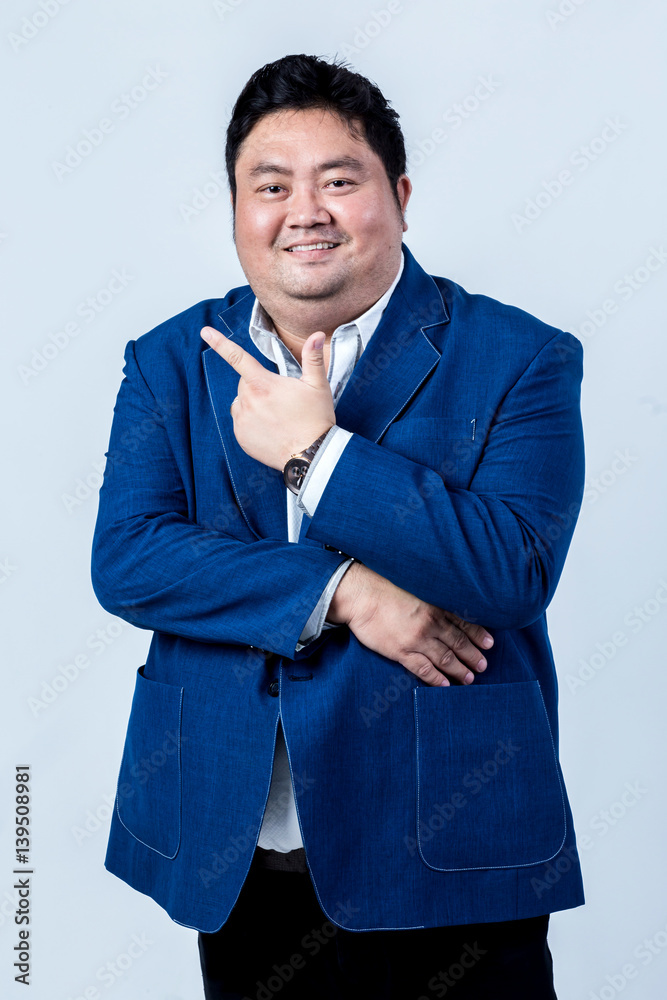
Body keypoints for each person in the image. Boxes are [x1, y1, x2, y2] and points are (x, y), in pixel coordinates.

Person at [91, 53, 586, 1000]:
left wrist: (317, 456)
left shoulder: (519, 356)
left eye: (339, 180)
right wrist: (346, 592)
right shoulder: (166, 361)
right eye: (270, 186)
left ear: (398, 196)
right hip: (242, 847)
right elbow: (131, 558)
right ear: (237, 207)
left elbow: (511, 568)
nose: (303, 211)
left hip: (451, 850)